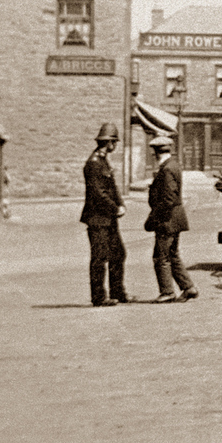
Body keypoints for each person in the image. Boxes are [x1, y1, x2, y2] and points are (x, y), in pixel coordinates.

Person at [80, 123, 129, 306]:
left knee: (118, 254)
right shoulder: (93, 163)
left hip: (108, 219)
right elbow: (98, 193)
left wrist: (121, 203)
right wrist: (115, 208)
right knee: (99, 258)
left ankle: (118, 292)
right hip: (98, 219)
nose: (114, 146)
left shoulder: (103, 161)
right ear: (107, 142)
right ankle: (99, 297)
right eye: (113, 142)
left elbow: (112, 188)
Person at [145, 135, 196, 303]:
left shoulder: (166, 170)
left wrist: (153, 217)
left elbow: (168, 199)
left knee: (161, 256)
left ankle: (167, 292)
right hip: (175, 218)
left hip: (167, 220)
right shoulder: (173, 165)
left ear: (156, 153)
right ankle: (188, 287)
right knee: (173, 255)